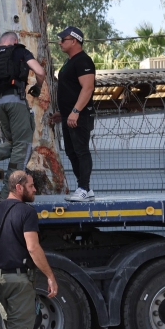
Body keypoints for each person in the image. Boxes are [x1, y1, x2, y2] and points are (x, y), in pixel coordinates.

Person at [0, 170, 58, 329]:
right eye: (31, 186)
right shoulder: (26, 212)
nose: (35, 189)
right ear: (18, 187)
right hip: (19, 282)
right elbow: (32, 247)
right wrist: (50, 276)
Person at [0, 31, 47, 198]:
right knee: (23, 146)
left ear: (0, 43)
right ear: (15, 41)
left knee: (14, 143)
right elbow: (40, 72)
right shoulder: (20, 51)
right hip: (16, 103)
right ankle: (7, 195)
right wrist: (38, 87)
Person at [56, 26, 97, 202]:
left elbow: (88, 88)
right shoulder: (69, 62)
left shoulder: (83, 61)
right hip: (69, 115)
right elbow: (70, 89)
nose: (59, 43)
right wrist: (63, 113)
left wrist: (75, 111)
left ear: (74, 41)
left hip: (80, 115)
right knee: (71, 151)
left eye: (63, 40)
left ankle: (84, 188)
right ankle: (85, 188)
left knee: (81, 151)